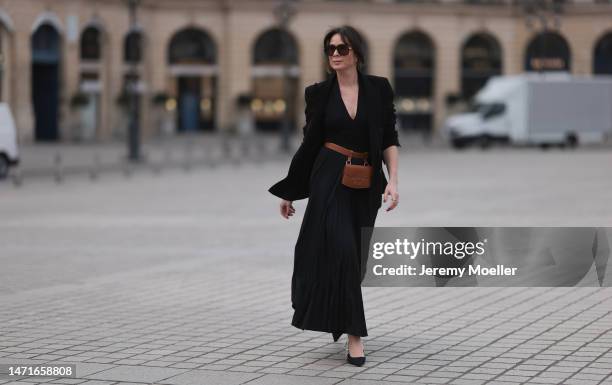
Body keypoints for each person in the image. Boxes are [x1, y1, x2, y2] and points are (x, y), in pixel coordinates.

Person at [268, 25, 400, 367]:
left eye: (342, 48)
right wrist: (291, 190)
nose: (336, 54)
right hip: (328, 177)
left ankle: (339, 316)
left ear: (357, 52)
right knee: (341, 249)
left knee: (353, 258)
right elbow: (309, 143)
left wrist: (394, 181)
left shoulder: (378, 89)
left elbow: (388, 136)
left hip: (366, 181)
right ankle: (355, 337)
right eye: (330, 49)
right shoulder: (318, 93)